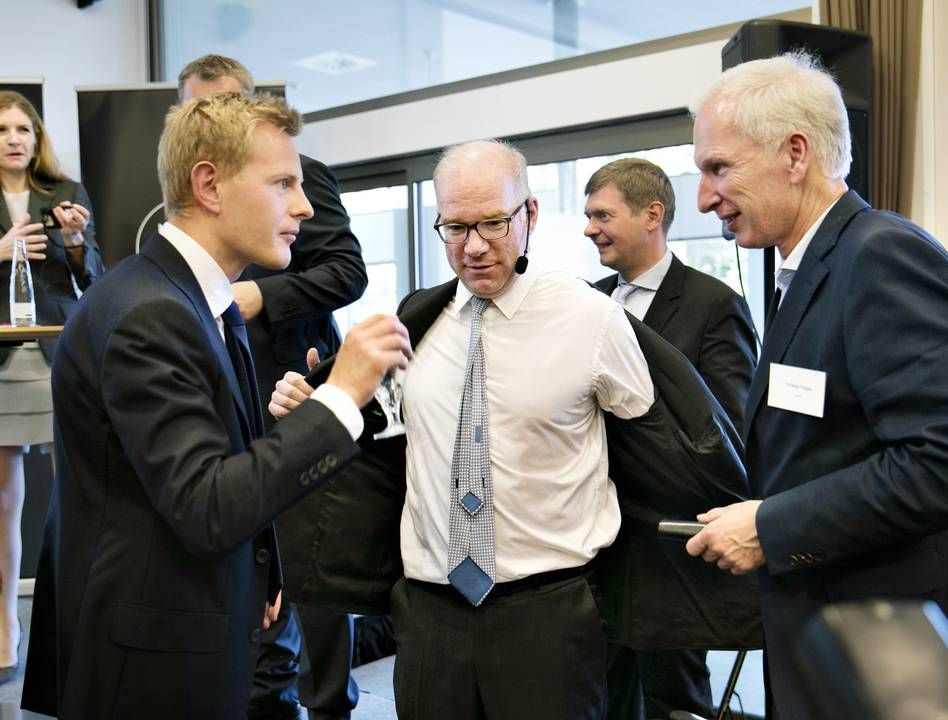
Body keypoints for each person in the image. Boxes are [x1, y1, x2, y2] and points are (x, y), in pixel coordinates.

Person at [270, 139, 755, 720]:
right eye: (455, 228)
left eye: (493, 224)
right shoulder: (415, 323)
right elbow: (386, 440)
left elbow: (658, 450)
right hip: (428, 617)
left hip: (549, 615)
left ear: (529, 215)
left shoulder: (591, 320)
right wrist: (317, 405)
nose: (474, 247)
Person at [21, 91, 411, 719]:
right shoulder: (153, 314)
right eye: (284, 183)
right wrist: (341, 395)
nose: (306, 207)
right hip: (154, 657)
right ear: (209, 185)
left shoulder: (189, 300)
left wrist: (264, 577)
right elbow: (206, 505)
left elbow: (189, 464)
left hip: (196, 620)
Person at [685, 52, 948, 720]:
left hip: (886, 649)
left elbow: (943, 460)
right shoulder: (800, 272)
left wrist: (771, 526)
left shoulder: (880, 256)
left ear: (796, 153)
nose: (703, 197)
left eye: (719, 168)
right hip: (821, 631)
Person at [178, 53, 368, 720]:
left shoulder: (299, 178)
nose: (216, 123)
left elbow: (348, 272)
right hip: (228, 396)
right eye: (199, 112)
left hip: (299, 388)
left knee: (311, 572)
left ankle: (330, 707)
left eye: (228, 106)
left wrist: (261, 295)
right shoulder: (189, 203)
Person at [585, 157, 756, 719]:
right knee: (602, 698)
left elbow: (729, 429)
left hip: (669, 554)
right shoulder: (586, 303)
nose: (590, 229)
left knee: (673, 703)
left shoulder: (714, 305)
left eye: (602, 215)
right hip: (594, 546)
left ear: (652, 214)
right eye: (589, 216)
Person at [0, 90, 103, 680]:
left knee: (75, 496)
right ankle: (7, 629)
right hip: (3, 361)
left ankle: (77, 623)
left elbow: (94, 271)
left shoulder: (67, 193)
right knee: (4, 503)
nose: (15, 137)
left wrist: (71, 243)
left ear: (38, 139)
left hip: (56, 350)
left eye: (24, 128)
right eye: (5, 128)